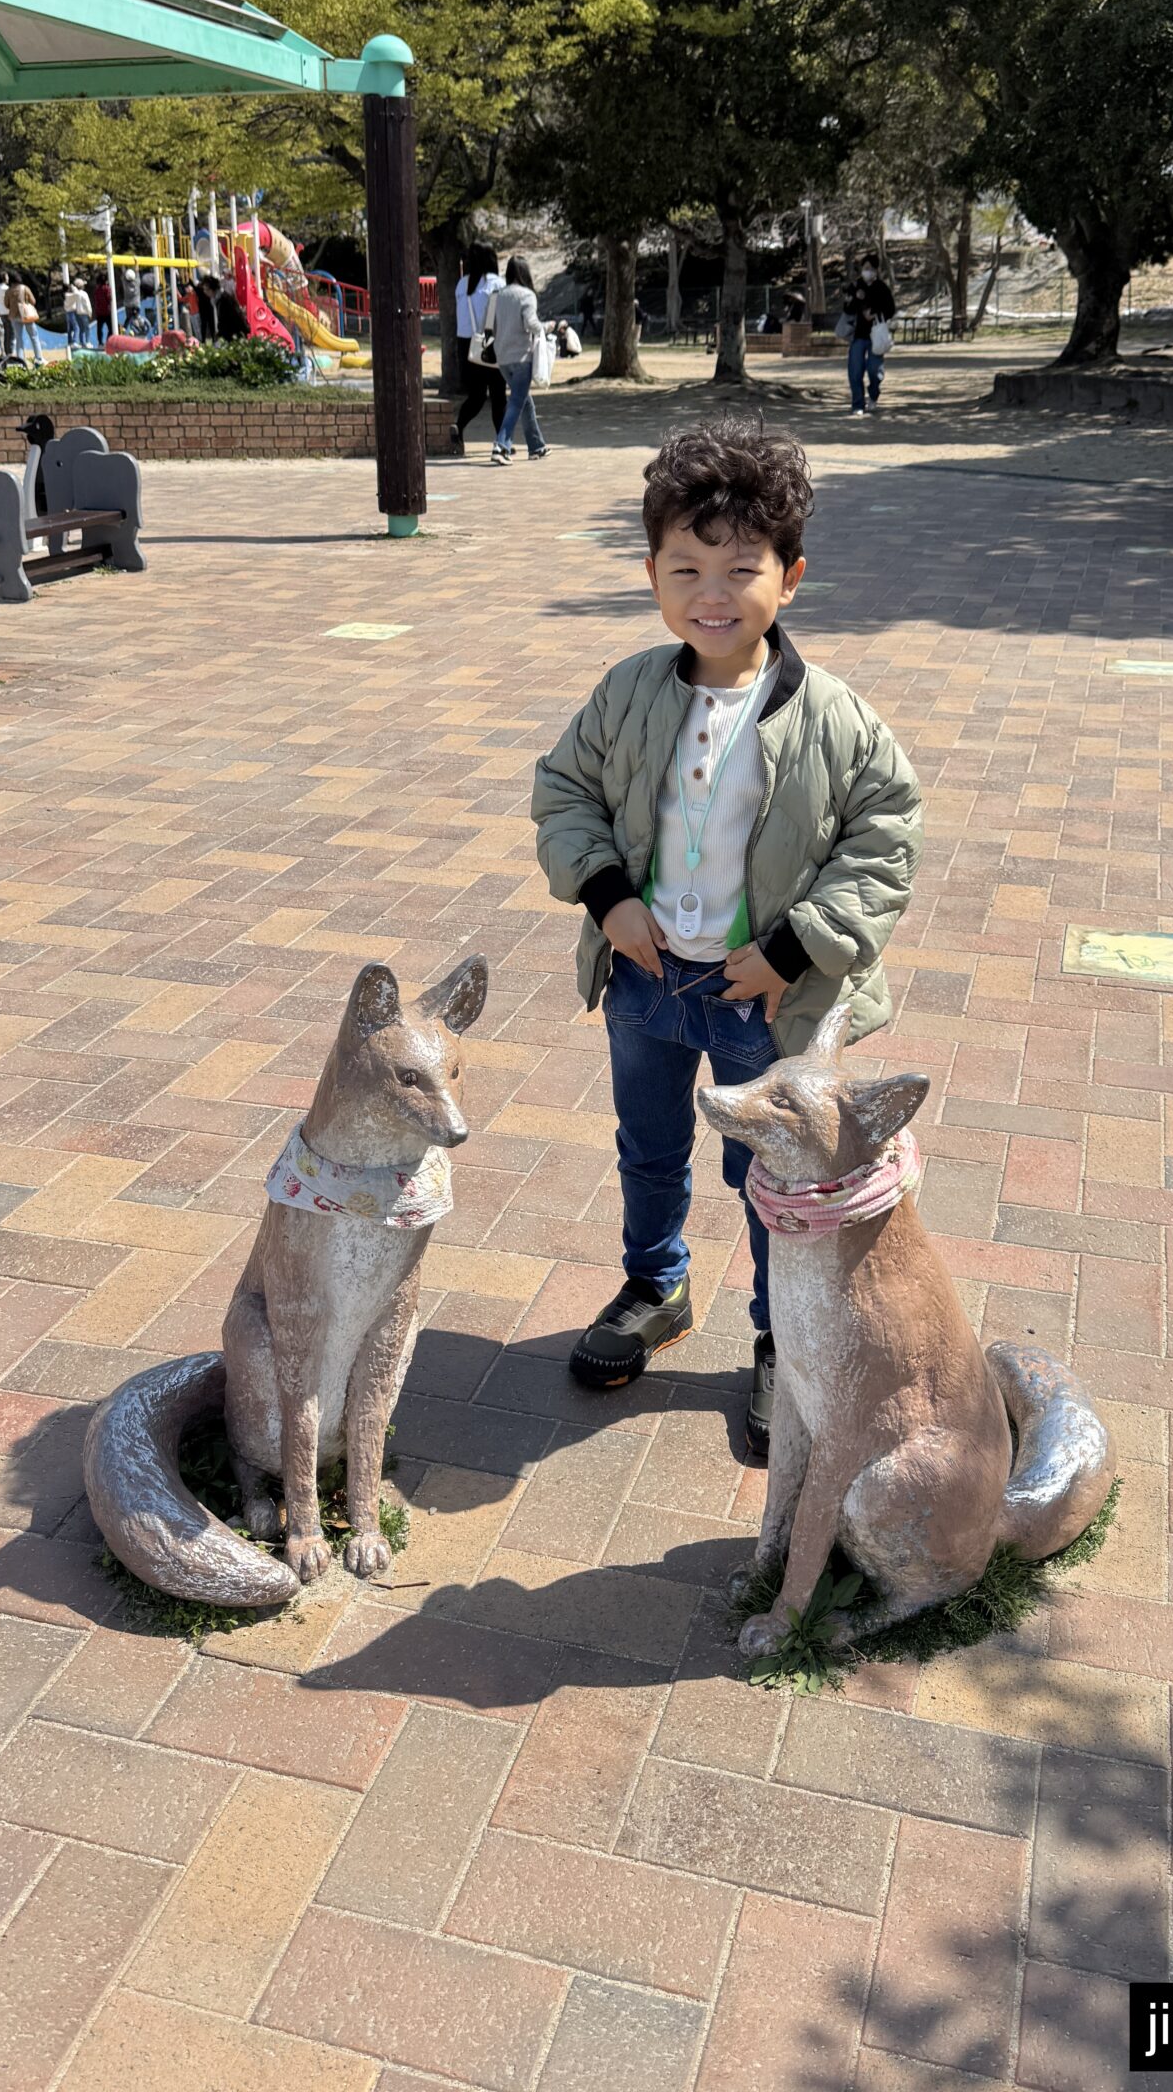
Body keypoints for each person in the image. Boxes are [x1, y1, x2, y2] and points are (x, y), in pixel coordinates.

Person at [531, 419, 922, 1459]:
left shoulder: (835, 718)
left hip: (768, 997)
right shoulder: (628, 692)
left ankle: (776, 1334)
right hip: (647, 980)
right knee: (648, 1147)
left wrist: (794, 950)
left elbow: (885, 839)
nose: (713, 592)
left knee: (777, 1180)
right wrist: (608, 896)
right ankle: (655, 1284)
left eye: (741, 569)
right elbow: (563, 790)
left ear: (789, 577)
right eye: (686, 567)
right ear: (652, 573)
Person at [488, 254, 546, 466]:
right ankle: (501, 445)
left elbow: (490, 326)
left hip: (502, 357)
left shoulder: (498, 295)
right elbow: (531, 323)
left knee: (523, 399)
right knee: (515, 402)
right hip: (522, 356)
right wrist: (546, 328)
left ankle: (536, 446)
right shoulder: (526, 295)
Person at [451, 243, 506, 454]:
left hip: (466, 346)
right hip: (489, 343)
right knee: (498, 395)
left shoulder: (461, 285)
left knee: (476, 396)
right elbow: (497, 317)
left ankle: (459, 426)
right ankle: (502, 440)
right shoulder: (496, 284)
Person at [841, 254, 897, 413]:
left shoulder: (882, 288)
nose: (868, 272)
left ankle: (873, 394)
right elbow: (847, 309)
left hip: (876, 336)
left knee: (874, 370)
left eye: (871, 269)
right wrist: (855, 299)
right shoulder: (856, 286)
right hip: (858, 335)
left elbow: (890, 309)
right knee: (855, 371)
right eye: (865, 269)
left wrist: (875, 313)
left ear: (876, 270)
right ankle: (858, 404)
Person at [64, 277, 94, 351]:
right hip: (84, 313)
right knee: (87, 328)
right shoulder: (83, 294)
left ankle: (81, 342)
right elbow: (87, 304)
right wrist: (90, 313)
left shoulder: (74, 294)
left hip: (77, 313)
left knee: (81, 329)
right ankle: (87, 342)